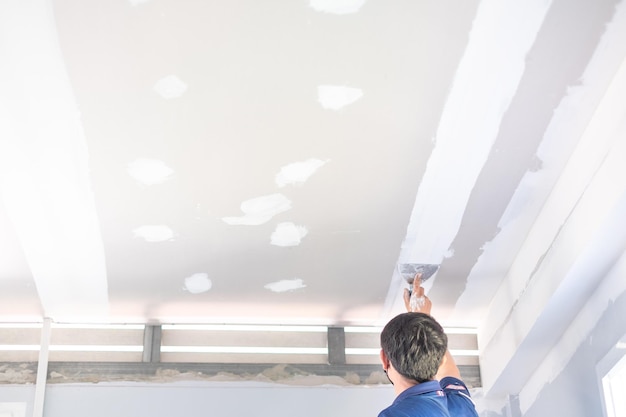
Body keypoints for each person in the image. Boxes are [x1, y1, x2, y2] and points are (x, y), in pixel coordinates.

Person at [378, 274, 479, 417]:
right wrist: (422, 323)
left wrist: (423, 318)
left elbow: (447, 368)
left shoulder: (461, 403)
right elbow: (448, 370)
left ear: (384, 359)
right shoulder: (459, 404)